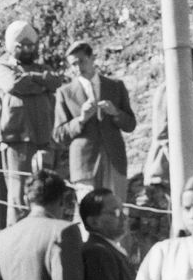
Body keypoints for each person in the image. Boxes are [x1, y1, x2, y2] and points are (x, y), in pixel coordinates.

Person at [0, 20, 68, 233]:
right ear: (11, 46)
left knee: (46, 192)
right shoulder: (2, 66)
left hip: (44, 138)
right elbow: (14, 85)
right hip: (16, 139)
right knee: (19, 195)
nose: (28, 50)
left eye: (31, 45)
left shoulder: (41, 67)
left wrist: (33, 77)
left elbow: (55, 82)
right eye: (22, 46)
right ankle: (18, 237)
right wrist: (39, 83)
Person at [54, 41, 136, 199]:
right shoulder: (65, 93)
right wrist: (81, 119)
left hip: (114, 160)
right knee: (89, 214)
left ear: (92, 58)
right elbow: (58, 135)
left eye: (82, 61)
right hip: (84, 164)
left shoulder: (115, 86)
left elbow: (131, 124)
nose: (78, 68)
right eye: (73, 64)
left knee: (116, 210)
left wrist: (115, 113)